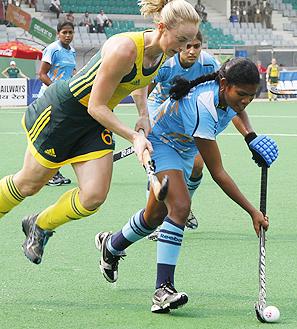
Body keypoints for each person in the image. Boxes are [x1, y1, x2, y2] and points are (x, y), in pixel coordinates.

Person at [0, 0, 200, 266]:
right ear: (162, 27)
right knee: (29, 184)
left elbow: (140, 80)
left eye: (190, 40)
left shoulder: (162, 52)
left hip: (94, 123)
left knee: (93, 196)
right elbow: (96, 105)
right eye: (182, 39)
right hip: (65, 113)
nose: (185, 47)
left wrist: (143, 115)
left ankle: (39, 225)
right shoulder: (125, 48)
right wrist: (134, 136)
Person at [95, 58, 278, 313]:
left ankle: (111, 245)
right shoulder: (203, 105)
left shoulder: (228, 96)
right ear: (224, 84)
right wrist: (252, 212)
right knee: (180, 207)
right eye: (242, 94)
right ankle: (163, 290)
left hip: (183, 147)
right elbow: (218, 172)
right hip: (160, 142)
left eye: (251, 95)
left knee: (154, 216)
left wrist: (250, 137)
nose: (246, 100)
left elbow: (237, 110)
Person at [146, 30, 220, 239]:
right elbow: (147, 89)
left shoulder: (208, 63)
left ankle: (185, 204)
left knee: (197, 165)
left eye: (196, 46)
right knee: (162, 167)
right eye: (187, 46)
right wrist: (144, 119)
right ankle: (156, 218)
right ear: (179, 47)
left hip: (187, 112)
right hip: (159, 108)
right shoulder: (167, 64)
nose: (192, 51)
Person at [37, 21, 76, 186]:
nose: (67, 35)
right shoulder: (53, 49)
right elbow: (42, 74)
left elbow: (71, 72)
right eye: (64, 32)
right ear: (58, 33)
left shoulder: (72, 51)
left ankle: (53, 172)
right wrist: (56, 90)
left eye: (70, 32)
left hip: (64, 99)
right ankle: (47, 174)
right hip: (50, 99)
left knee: (62, 135)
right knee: (51, 135)